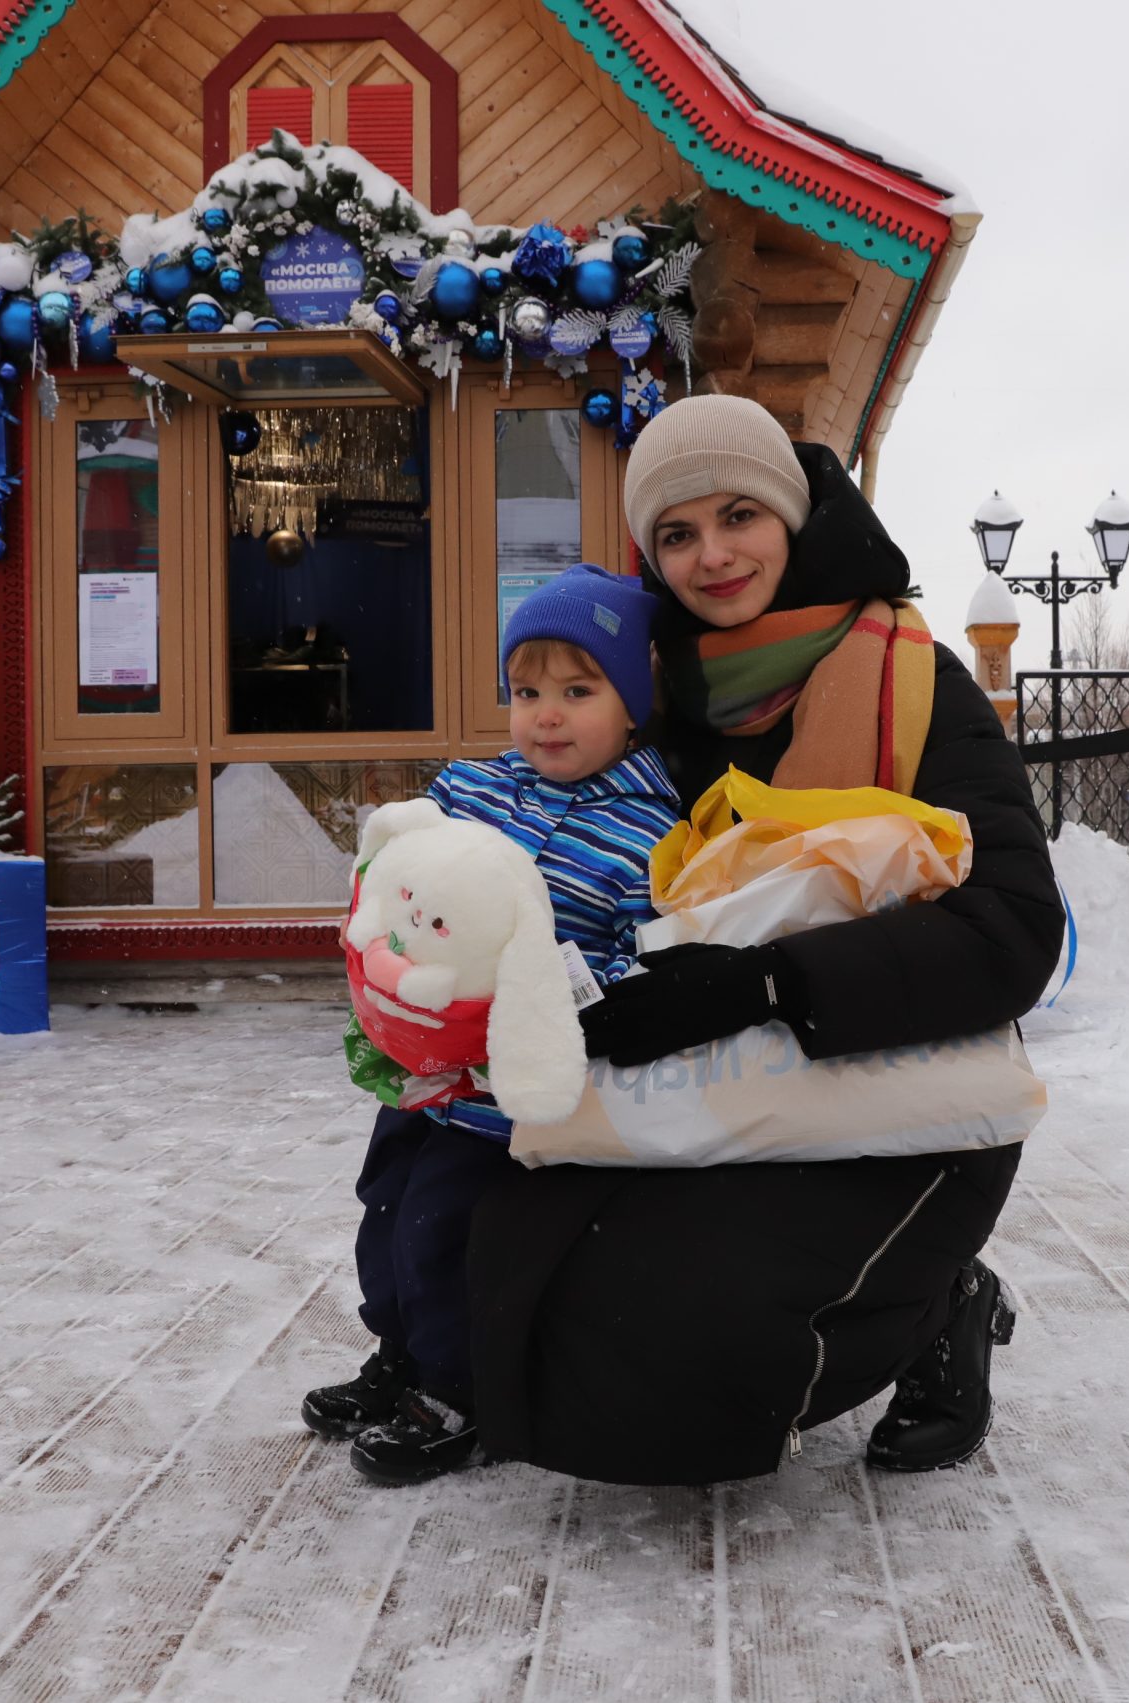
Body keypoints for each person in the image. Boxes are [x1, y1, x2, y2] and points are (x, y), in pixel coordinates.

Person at [467, 394, 1065, 1486]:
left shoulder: (913, 681)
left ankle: (942, 1302)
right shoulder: (652, 697)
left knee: (689, 1346)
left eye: (739, 513)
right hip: (702, 1079)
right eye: (678, 533)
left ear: (794, 517)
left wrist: (765, 980)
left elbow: (1014, 932)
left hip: (892, 1080)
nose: (713, 554)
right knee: (517, 1280)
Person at [305, 564, 681, 1486]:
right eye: (526, 691)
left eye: (578, 691)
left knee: (446, 1229)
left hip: (505, 1099)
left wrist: (547, 987)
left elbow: (647, 963)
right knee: (384, 1205)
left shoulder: (647, 834)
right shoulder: (474, 790)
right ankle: (395, 1354)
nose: (545, 714)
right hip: (421, 1074)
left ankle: (455, 1388)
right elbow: (407, 875)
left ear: (633, 703)